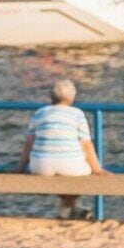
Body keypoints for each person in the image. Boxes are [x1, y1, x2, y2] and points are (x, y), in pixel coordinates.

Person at [20, 78, 101, 219]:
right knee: (80, 172)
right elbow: (87, 144)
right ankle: (66, 209)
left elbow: (29, 143)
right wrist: (97, 169)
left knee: (62, 168)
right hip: (69, 167)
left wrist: (20, 167)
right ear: (72, 97)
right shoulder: (78, 114)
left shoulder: (39, 113)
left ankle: (72, 209)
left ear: (51, 96)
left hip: (41, 166)